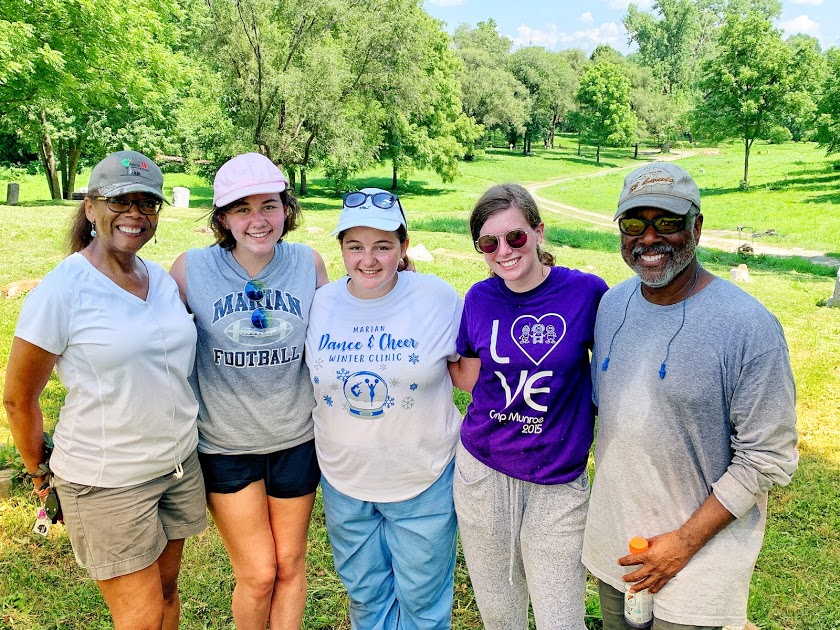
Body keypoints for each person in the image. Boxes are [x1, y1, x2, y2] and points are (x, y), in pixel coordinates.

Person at [583, 162, 799, 629]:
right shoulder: (610, 306)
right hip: (617, 547)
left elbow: (767, 456)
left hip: (699, 560)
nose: (648, 238)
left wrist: (683, 542)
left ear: (697, 226)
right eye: (634, 223)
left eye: (668, 222)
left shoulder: (748, 327)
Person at [3, 151, 206, 630]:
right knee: (140, 616)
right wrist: (38, 474)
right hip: (107, 480)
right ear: (91, 207)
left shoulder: (158, 279)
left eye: (147, 203)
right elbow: (18, 398)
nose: (135, 213)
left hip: (177, 466)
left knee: (167, 593)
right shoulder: (62, 290)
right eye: (120, 201)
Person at [169, 152, 327, 630]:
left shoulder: (307, 263)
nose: (258, 220)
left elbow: (338, 332)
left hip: (297, 438)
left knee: (291, 565)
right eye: (242, 208)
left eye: (269, 205)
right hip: (225, 444)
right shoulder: (191, 270)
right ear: (222, 218)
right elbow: (154, 339)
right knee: (258, 574)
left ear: (286, 210)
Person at [448, 184, 608, 630]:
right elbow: (469, 374)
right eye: (489, 243)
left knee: (561, 616)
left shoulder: (586, 293)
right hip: (483, 471)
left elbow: (613, 368)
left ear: (539, 231)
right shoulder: (479, 298)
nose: (504, 251)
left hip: (558, 479)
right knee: (501, 614)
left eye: (515, 237)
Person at [304, 188, 463, 630]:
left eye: (382, 246)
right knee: (366, 596)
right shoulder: (322, 303)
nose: (367, 260)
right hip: (344, 480)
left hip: (422, 478)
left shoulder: (437, 298)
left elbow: (472, 371)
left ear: (404, 247)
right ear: (341, 248)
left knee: (423, 603)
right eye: (355, 246)